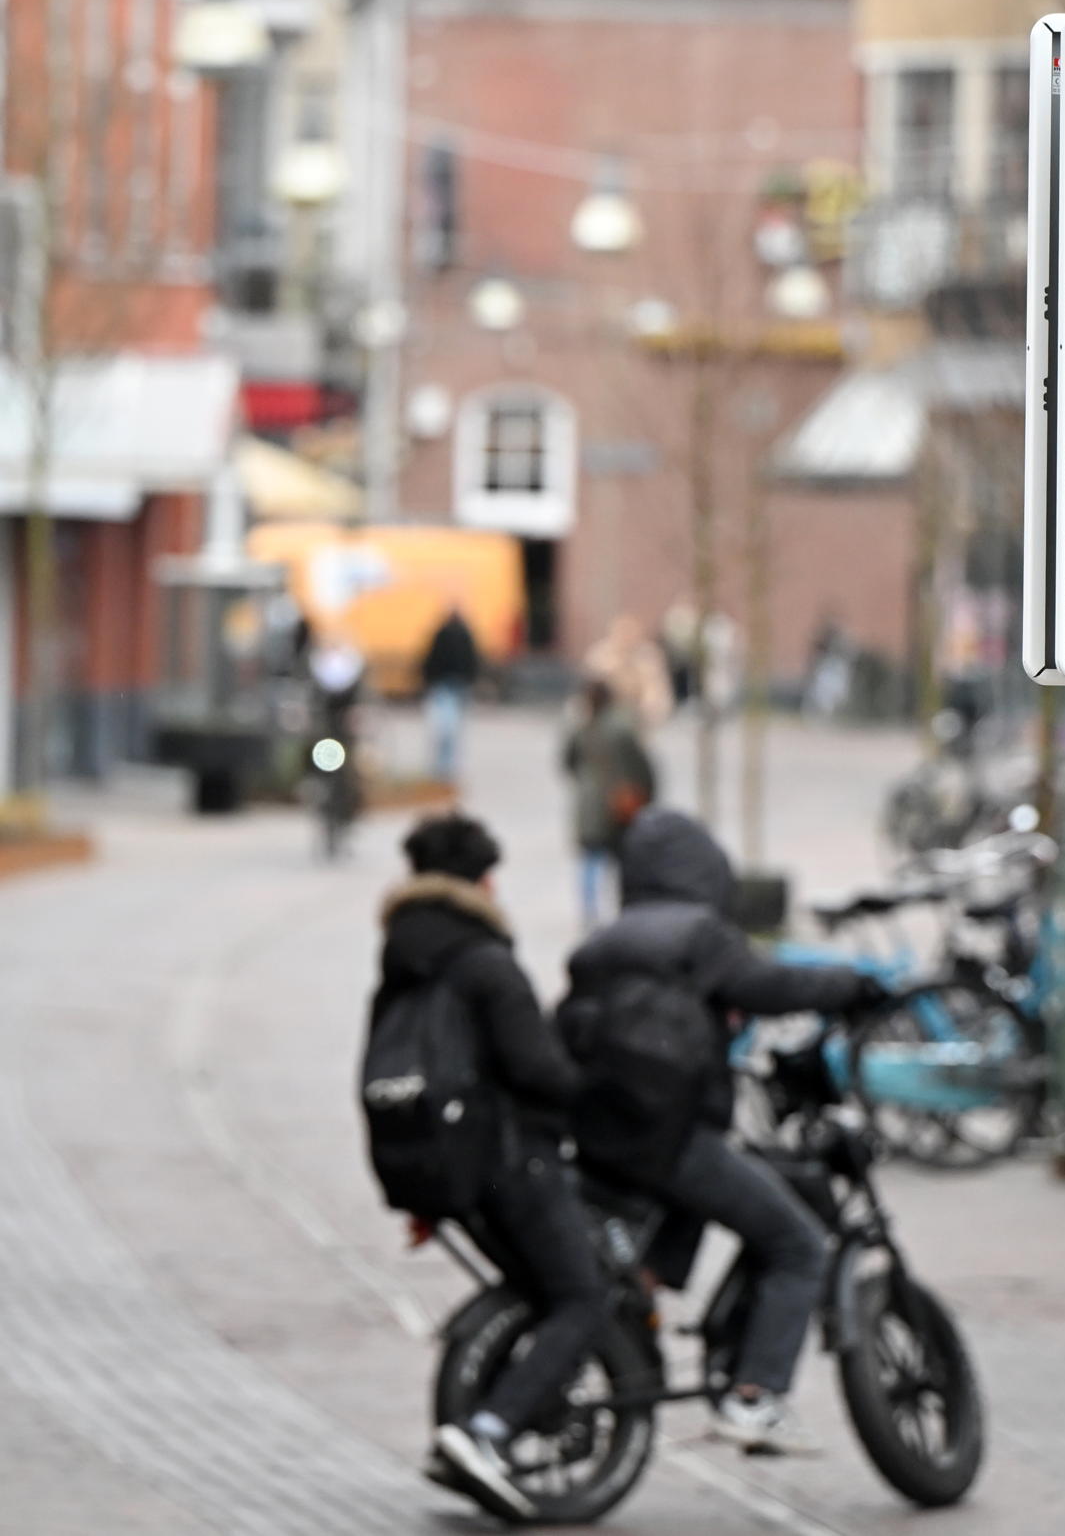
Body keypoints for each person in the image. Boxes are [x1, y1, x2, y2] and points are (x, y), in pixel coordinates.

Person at [561, 807, 886, 1455]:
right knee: (799, 1245)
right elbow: (767, 984)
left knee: (703, 1203)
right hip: (674, 1133)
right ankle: (755, 1396)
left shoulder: (606, 941)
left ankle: (644, 1295)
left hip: (609, 1134)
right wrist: (853, 984)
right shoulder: (698, 934)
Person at [371, 812, 603, 1521]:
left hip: (443, 1166)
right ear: (478, 883)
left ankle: (474, 1422)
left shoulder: (402, 962)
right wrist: (592, 1089)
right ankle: (489, 1431)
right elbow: (537, 1069)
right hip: (510, 1161)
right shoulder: (485, 962)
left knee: (538, 1285)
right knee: (582, 1297)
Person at [561, 675, 657, 929]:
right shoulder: (622, 728)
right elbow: (642, 767)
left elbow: (567, 761)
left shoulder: (581, 727)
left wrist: (585, 782)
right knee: (622, 858)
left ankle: (589, 911)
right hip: (619, 803)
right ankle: (624, 907)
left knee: (590, 858)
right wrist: (647, 794)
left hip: (588, 803)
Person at [420, 603, 483, 784]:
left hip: (447, 685)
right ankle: (446, 767)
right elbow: (472, 661)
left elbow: (432, 659)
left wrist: (429, 679)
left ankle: (444, 767)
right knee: (450, 729)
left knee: (445, 728)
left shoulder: (445, 634)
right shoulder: (463, 634)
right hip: (455, 685)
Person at [583, 615, 673, 733]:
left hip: (637, 712)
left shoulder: (648, 655)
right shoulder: (600, 654)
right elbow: (591, 689)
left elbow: (656, 689)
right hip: (606, 710)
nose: (626, 638)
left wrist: (647, 709)